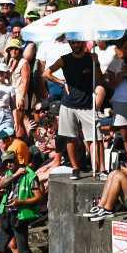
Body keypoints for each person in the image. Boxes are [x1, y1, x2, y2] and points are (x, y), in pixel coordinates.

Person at [43, 37, 100, 179]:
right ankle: (75, 168)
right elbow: (46, 73)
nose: (75, 45)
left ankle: (97, 169)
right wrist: (61, 82)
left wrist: (96, 63)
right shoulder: (64, 59)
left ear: (82, 43)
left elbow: (99, 78)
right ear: (70, 44)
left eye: (78, 42)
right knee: (70, 137)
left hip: (87, 104)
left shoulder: (91, 58)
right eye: (73, 42)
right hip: (69, 104)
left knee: (94, 138)